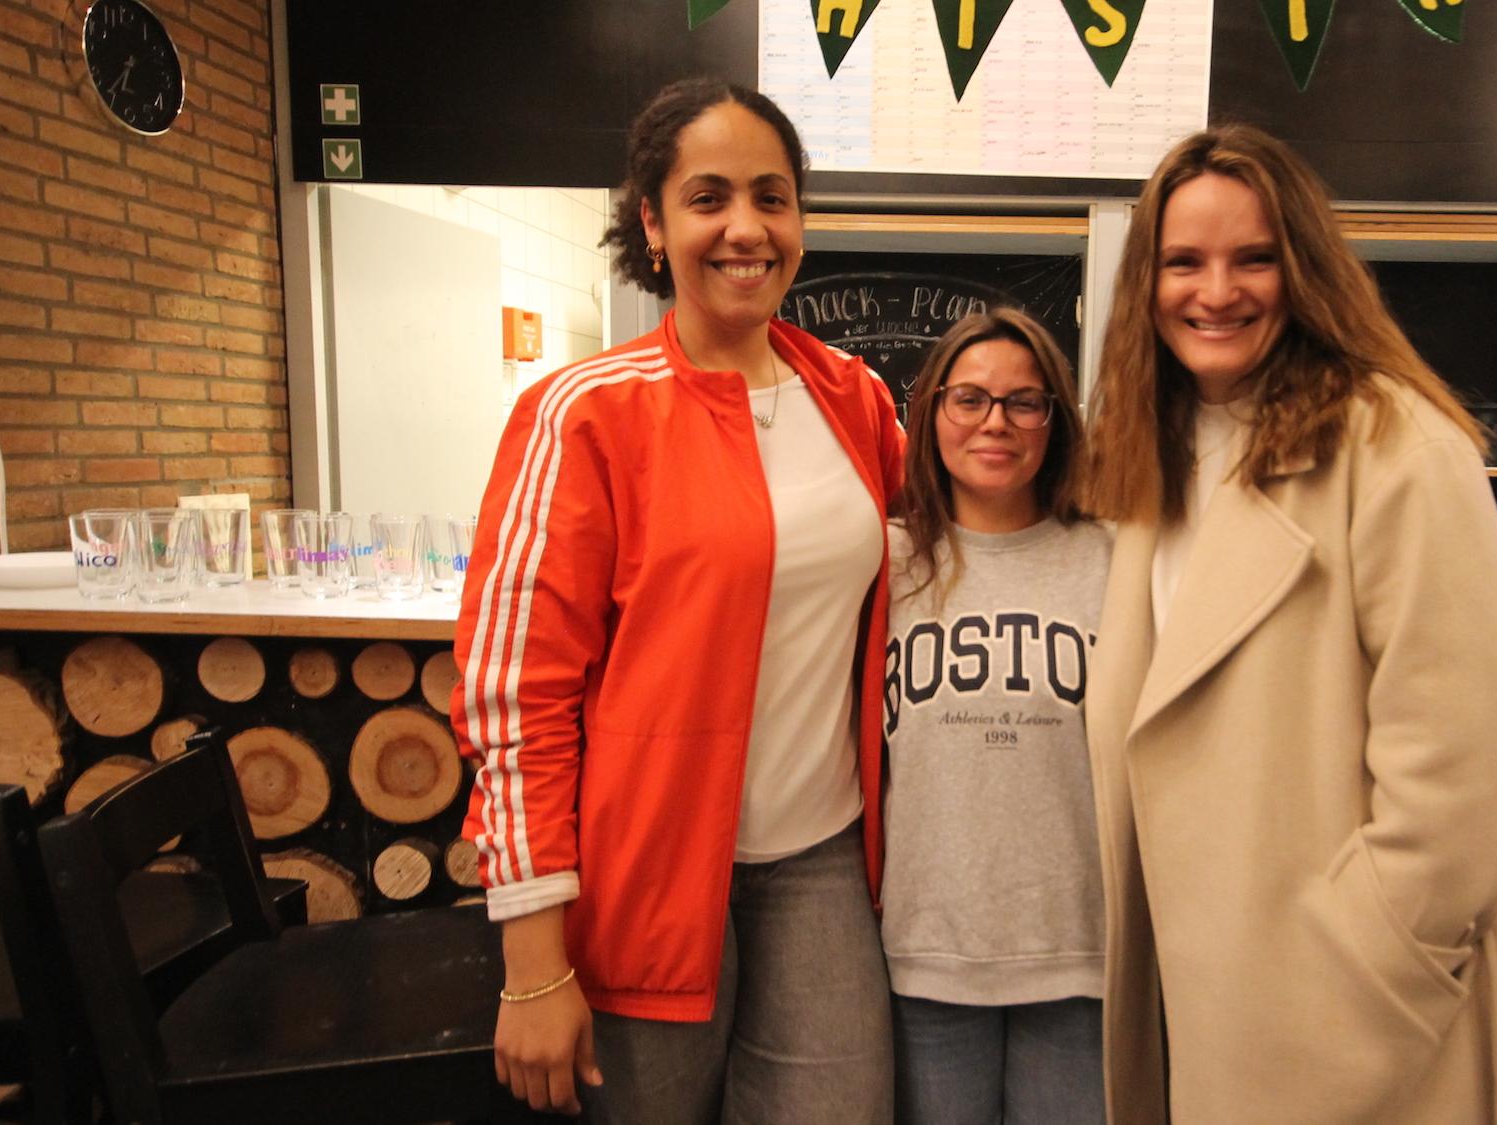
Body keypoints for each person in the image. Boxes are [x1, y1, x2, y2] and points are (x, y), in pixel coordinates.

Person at [452, 77, 902, 1124]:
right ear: (651, 224)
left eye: (772, 196)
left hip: (820, 858)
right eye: (708, 198)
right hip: (639, 875)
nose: (744, 228)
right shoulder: (581, 413)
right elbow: (514, 697)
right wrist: (532, 964)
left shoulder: (854, 396)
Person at [1078, 124, 1497, 1123]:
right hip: (1202, 991)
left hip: (1343, 1017)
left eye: (1254, 259)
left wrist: (1360, 968)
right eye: (1182, 262)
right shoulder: (1154, 452)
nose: (1215, 292)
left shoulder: (1399, 448)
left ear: (1306, 270)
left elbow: (1460, 775)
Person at [880, 309, 1111, 1125]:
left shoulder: (1113, 557)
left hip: (1082, 954)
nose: (995, 422)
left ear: (1056, 420)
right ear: (931, 412)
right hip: (927, 952)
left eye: (1024, 401)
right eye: (968, 397)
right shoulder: (885, 560)